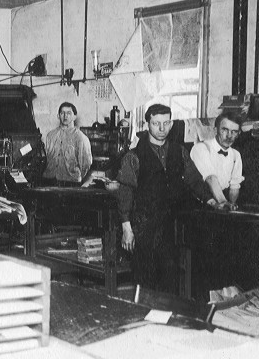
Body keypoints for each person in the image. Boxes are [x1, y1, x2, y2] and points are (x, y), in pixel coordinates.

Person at [114, 103, 209, 294]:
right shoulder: (133, 157)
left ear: (171, 123)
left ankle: (166, 319)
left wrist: (213, 201)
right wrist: (127, 228)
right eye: (156, 123)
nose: (161, 129)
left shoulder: (179, 152)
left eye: (166, 123)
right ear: (147, 123)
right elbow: (125, 192)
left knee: (170, 278)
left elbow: (195, 180)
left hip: (170, 225)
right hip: (143, 226)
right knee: (145, 280)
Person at [190, 112, 244, 210]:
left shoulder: (236, 155)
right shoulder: (201, 148)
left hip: (222, 203)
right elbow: (211, 179)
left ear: (238, 134)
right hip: (201, 204)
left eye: (234, 131)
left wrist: (230, 206)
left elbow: (234, 186)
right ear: (216, 130)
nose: (229, 136)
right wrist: (223, 202)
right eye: (224, 130)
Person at [42, 102, 92, 186]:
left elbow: (86, 164)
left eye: (69, 113)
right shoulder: (50, 135)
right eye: (62, 113)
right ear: (58, 116)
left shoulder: (80, 138)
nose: (65, 116)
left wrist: (75, 176)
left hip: (71, 182)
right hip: (49, 180)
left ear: (74, 117)